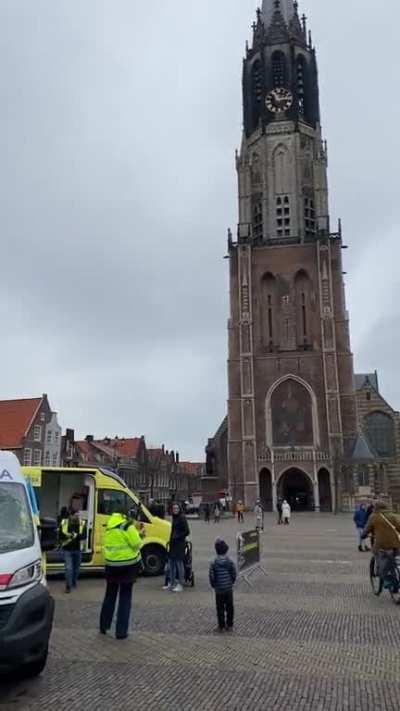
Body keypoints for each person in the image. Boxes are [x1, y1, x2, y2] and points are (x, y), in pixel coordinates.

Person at [100, 506, 145, 639]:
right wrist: (141, 534)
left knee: (109, 595)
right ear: (126, 515)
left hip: (111, 565)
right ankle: (121, 631)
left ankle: (104, 625)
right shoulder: (127, 526)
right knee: (125, 598)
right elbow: (136, 543)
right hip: (127, 565)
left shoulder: (110, 526)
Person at [362, 501, 400, 593]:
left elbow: (367, 529)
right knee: (395, 562)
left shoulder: (374, 516)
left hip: (381, 545)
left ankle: (389, 581)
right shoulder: (393, 515)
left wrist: (363, 535)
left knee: (382, 565)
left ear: (376, 508)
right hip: (396, 544)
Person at [209, 539, 237, 632]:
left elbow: (212, 576)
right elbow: (233, 572)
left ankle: (221, 626)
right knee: (230, 607)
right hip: (228, 589)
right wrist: (231, 581)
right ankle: (229, 625)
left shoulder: (214, 562)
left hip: (219, 589)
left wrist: (214, 585)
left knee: (220, 608)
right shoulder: (229, 561)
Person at [59, 510, 86, 593]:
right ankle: (68, 586)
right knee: (68, 568)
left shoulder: (81, 523)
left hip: (78, 550)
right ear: (71, 515)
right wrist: (69, 535)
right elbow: (60, 535)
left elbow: (84, 536)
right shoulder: (64, 523)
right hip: (67, 550)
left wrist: (77, 536)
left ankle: (73, 582)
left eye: (79, 515)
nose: (78, 517)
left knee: (76, 569)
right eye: (76, 515)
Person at [168, 503, 190, 592]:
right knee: (171, 563)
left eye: (177, 508)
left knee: (179, 564)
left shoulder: (182, 518)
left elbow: (187, 531)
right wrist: (170, 540)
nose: (175, 510)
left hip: (180, 544)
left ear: (179, 509)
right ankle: (172, 583)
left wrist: (178, 536)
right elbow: (172, 531)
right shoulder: (174, 518)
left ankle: (180, 584)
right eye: (174, 508)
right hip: (173, 544)